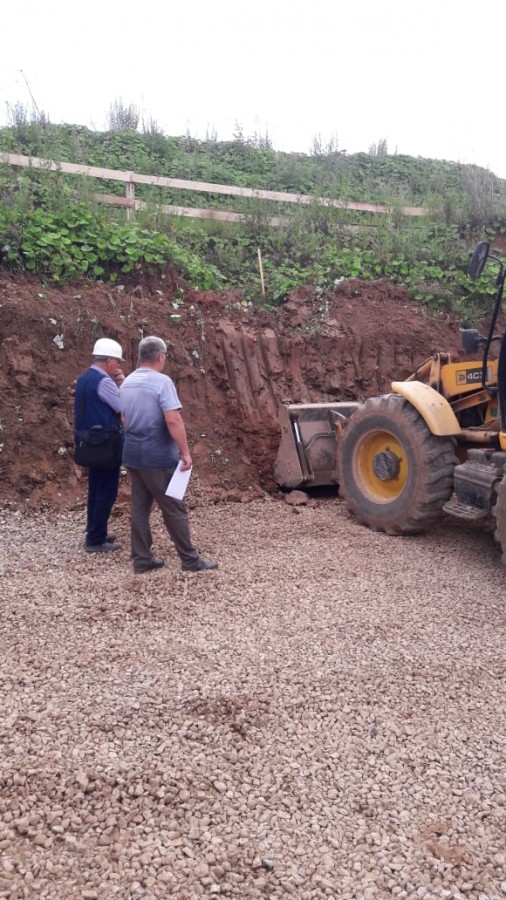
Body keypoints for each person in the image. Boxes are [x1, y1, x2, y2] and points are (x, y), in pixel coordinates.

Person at [120, 335, 218, 575]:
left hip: (132, 453)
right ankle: (189, 559)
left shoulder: (127, 382)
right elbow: (173, 419)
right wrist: (185, 452)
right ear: (160, 357)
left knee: (140, 507)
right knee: (173, 506)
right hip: (157, 455)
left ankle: (142, 559)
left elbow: (123, 418)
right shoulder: (162, 382)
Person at [74, 337, 125, 553]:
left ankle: (95, 529)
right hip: (105, 444)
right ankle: (96, 539)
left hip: (89, 443)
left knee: (95, 488)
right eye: (117, 361)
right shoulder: (104, 382)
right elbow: (123, 407)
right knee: (106, 490)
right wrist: (122, 384)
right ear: (109, 360)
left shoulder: (84, 378)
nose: (118, 365)